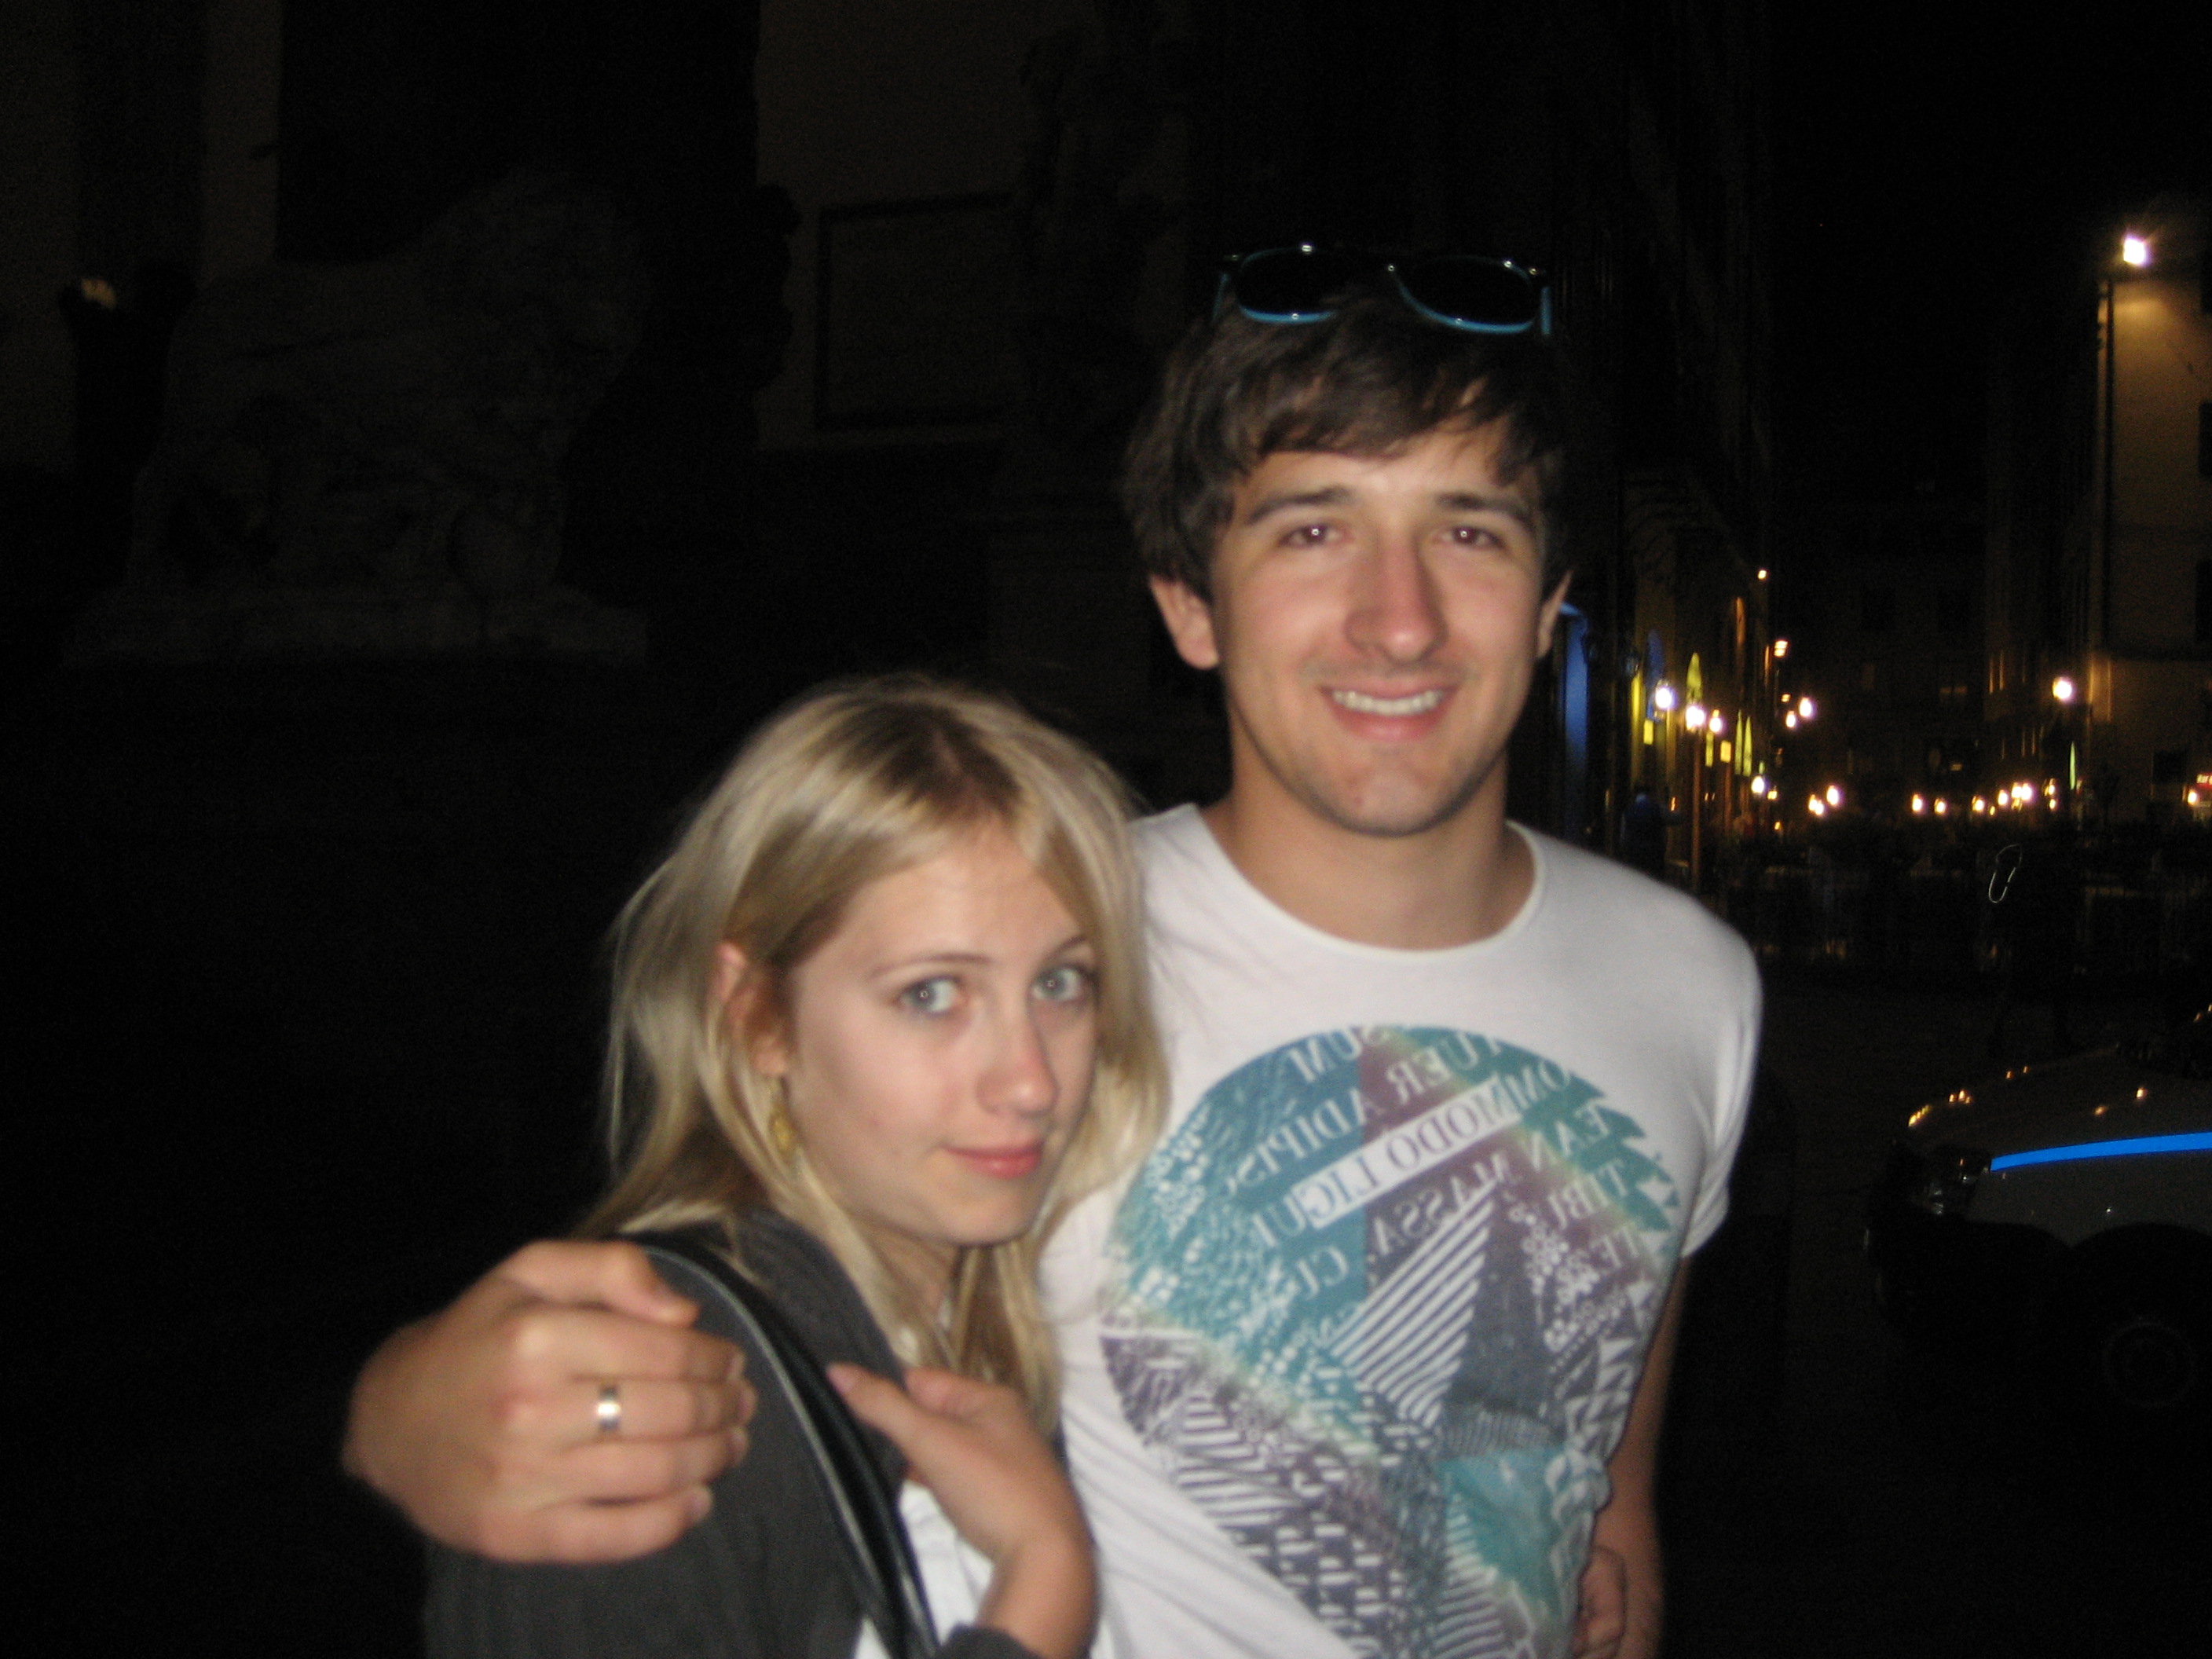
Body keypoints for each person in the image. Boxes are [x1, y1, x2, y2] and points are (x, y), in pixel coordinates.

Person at [347, 252, 1760, 1659]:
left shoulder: (1694, 985)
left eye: (1469, 532)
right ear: (1189, 604)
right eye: (1313, 530)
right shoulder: (1038, 950)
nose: (1401, 620)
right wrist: (400, 1405)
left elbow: (1604, 1497)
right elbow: (729, 1264)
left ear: (1551, 598)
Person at [421, 677, 1165, 1659]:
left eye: (1060, 983)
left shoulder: (987, 1318)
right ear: (758, 1017)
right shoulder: (662, 1401)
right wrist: (1042, 1588)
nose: (1030, 1081)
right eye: (932, 994)